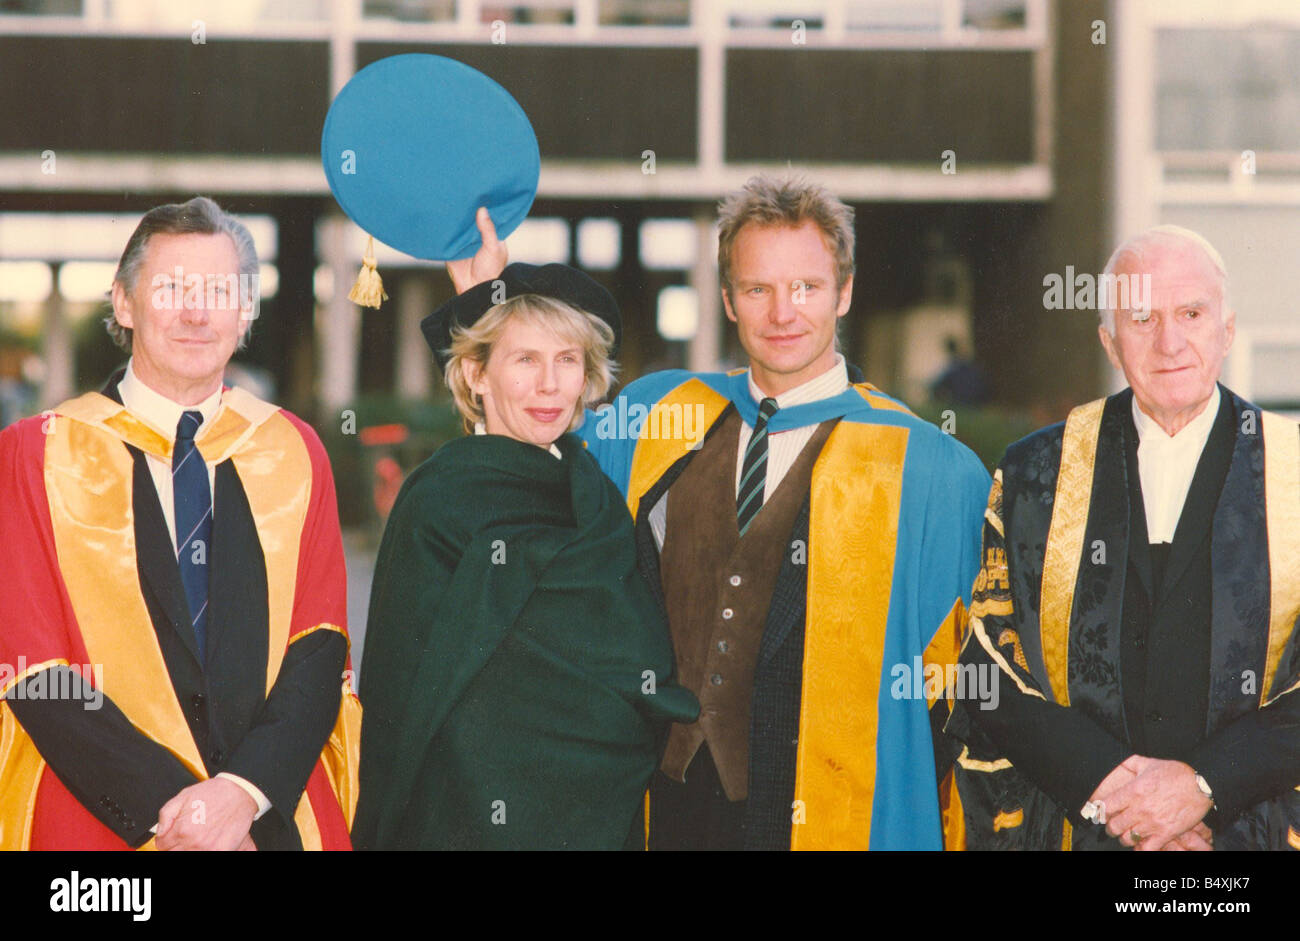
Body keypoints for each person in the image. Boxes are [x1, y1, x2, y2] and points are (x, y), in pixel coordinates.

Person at [452, 177, 991, 849]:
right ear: (730, 300)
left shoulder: (932, 469)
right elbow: (534, 482)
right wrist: (486, 306)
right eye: (758, 289)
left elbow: (967, 694)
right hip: (661, 801)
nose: (782, 312)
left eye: (807, 287)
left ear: (844, 293)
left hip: (827, 810)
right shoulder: (656, 415)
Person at [0, 196, 359, 850]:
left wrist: (240, 798)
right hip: (101, 823)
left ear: (245, 310)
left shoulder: (293, 452)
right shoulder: (36, 454)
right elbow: (31, 666)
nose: (197, 310)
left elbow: (320, 645)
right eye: (172, 287)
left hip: (267, 821)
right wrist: (184, 820)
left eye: (219, 290)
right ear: (124, 302)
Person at [945, 224, 1300, 851]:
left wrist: (1203, 788)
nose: (1170, 343)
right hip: (1078, 827)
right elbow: (988, 669)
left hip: (1250, 837)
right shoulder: (1035, 475)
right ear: (1110, 342)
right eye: (1142, 319)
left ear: (1228, 329)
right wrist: (1114, 791)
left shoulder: (1295, 474)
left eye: (1191, 313)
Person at [352, 258, 699, 850]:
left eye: (568, 361)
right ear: (476, 374)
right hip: (460, 817)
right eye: (525, 360)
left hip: (592, 811)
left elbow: (628, 655)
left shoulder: (595, 491)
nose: (550, 385)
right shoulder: (439, 499)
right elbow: (403, 685)